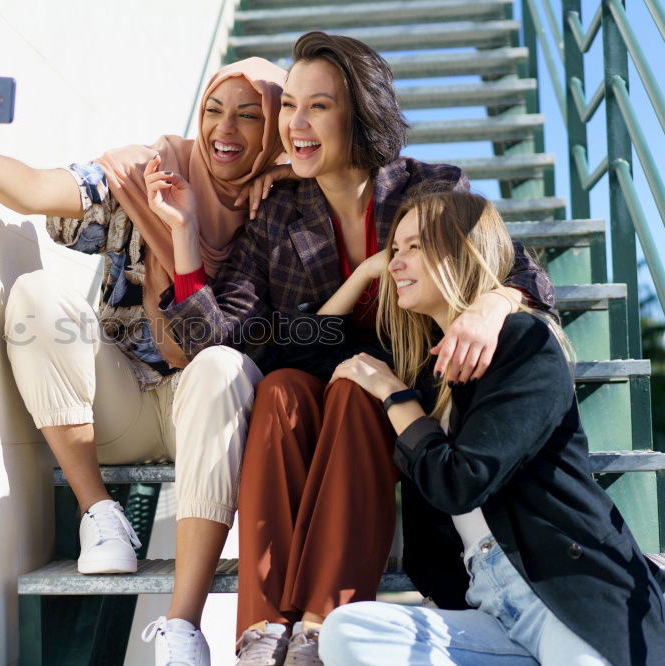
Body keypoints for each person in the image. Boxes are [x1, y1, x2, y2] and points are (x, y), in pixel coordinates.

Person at [145, 32, 556, 665]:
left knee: (356, 384)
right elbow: (226, 340)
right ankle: (261, 631)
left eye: (319, 106)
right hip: (308, 386)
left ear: (359, 113)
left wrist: (489, 305)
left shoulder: (428, 189)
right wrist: (184, 235)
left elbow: (525, 278)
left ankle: (319, 622)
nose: (295, 125)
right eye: (289, 106)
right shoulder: (279, 209)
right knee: (279, 389)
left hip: (403, 397)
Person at [0, 56, 286, 665]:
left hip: (215, 420)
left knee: (219, 364)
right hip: (123, 403)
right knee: (36, 296)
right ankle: (100, 512)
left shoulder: (284, 207)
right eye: (214, 111)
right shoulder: (150, 174)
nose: (226, 129)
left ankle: (182, 627)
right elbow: (38, 189)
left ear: (276, 130)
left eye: (251, 116)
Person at [318, 190, 665, 666]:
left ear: (463, 252)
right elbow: (301, 351)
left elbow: (460, 482)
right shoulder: (425, 370)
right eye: (392, 250)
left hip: (563, 595)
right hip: (486, 607)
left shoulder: (523, 343)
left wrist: (395, 398)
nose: (394, 264)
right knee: (347, 633)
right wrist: (362, 273)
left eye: (415, 247)